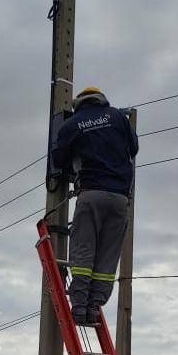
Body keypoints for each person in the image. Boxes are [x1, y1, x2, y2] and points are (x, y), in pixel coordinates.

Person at [52, 86, 139, 325]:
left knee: (83, 249)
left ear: (78, 103)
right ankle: (94, 308)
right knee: (107, 257)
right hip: (121, 199)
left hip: (91, 195)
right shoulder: (119, 118)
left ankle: (79, 308)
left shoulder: (72, 125)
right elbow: (134, 149)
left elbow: (58, 160)